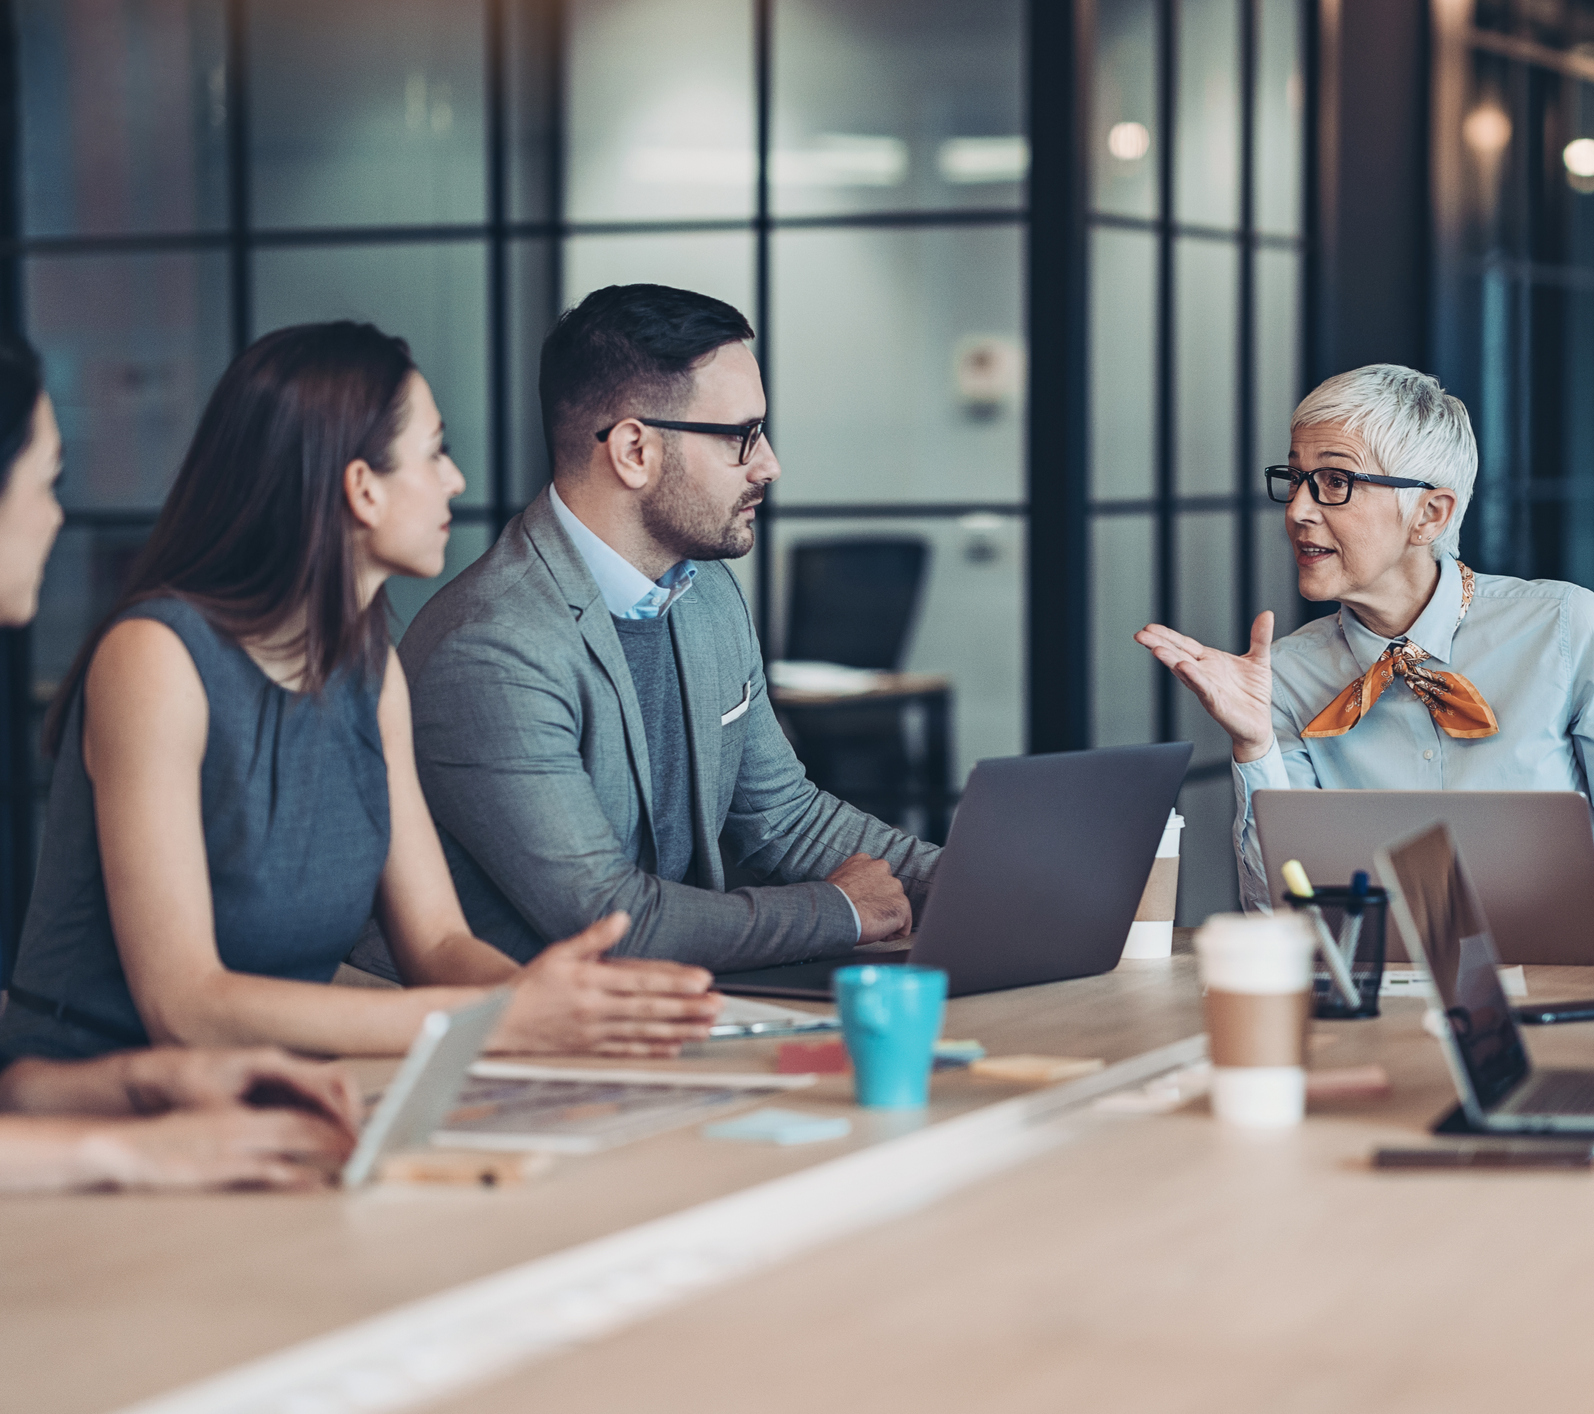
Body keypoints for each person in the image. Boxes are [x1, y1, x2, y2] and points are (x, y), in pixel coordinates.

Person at [0, 321, 722, 1065]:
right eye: (434, 451)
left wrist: (560, 1009)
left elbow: (437, 943)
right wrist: (503, 1020)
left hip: (278, 1093)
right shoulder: (154, 657)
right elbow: (186, 1006)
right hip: (95, 1096)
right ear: (362, 488)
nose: (455, 479)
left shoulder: (369, 669)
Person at [389, 284, 937, 974]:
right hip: (522, 1044)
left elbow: (788, 820)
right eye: (742, 436)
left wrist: (987, 886)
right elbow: (608, 922)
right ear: (633, 451)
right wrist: (842, 911)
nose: (769, 464)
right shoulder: (492, 648)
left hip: (667, 1017)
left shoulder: (704, 591)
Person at [1136, 365, 1594, 942]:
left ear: (1430, 513)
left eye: (1334, 482)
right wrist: (1253, 745)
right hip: (1394, 1005)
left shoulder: (1565, 625)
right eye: (1295, 478)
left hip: (1587, 990)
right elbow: (1286, 911)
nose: (1298, 510)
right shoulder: (1286, 674)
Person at [0, 334, 360, 1191]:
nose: (56, 514)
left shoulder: (366, 663)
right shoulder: (155, 654)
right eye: (46, 481)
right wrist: (119, 1151)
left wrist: (137, 1085)